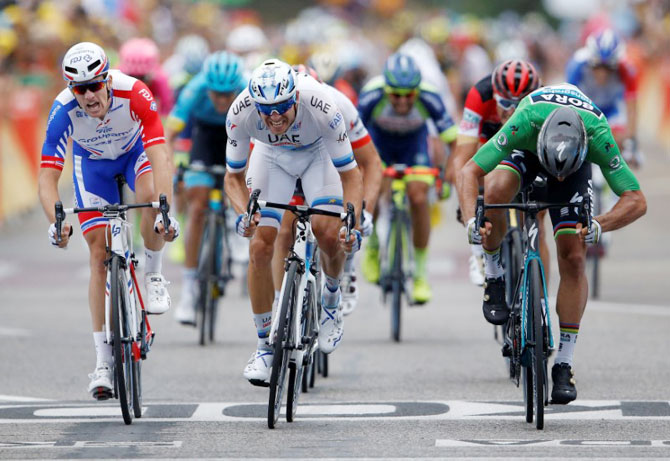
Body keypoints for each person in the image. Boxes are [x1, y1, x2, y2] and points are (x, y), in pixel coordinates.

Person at [457, 83, 646, 404]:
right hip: (528, 152)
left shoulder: (598, 136)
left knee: (573, 257)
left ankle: (564, 363)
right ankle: (495, 273)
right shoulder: (524, 120)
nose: (556, 179)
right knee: (494, 192)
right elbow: (469, 170)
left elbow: (636, 200)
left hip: (576, 164)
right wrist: (472, 221)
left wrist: (600, 224)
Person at [38, 42, 179, 399]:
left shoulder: (135, 92)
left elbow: (160, 153)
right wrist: (56, 221)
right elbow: (47, 176)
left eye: (94, 86)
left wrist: (164, 209)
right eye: (79, 89)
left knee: (149, 197)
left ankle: (154, 274)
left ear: (107, 81)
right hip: (94, 167)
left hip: (134, 156)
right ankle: (102, 361)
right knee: (99, 255)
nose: (88, 96)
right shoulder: (63, 111)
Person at [224, 59, 364, 386]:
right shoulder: (240, 111)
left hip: (318, 156)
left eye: (283, 108)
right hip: (271, 159)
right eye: (267, 110)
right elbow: (232, 178)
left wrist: (351, 223)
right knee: (260, 245)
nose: (275, 117)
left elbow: (351, 174)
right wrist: (245, 213)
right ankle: (263, 348)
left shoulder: (322, 105)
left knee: (327, 233)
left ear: (295, 98)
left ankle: (331, 298)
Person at [271, 64, 382, 316]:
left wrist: (365, 213)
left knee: (330, 231)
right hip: (288, 164)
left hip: (329, 164)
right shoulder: (273, 108)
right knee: (283, 229)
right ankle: (280, 305)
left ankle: (335, 285)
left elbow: (371, 162)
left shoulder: (337, 105)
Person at [358, 52, 457, 304]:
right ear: (386, 89)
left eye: (409, 95)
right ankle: (372, 248)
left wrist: (446, 177)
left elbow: (453, 142)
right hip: (378, 146)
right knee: (373, 189)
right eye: (396, 95)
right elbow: (351, 139)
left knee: (418, 197)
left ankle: (421, 274)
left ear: (417, 90)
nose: (402, 102)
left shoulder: (429, 96)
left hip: (414, 148)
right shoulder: (371, 94)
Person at [165, 51, 247, 325]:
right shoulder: (194, 89)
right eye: (216, 94)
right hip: (205, 137)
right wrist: (167, 164)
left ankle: (237, 226)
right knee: (197, 206)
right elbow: (171, 133)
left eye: (228, 95)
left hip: (236, 135)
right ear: (207, 88)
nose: (222, 100)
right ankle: (189, 291)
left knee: (240, 179)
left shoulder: (248, 89)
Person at [452, 59, 542, 286]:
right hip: (489, 137)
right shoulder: (479, 95)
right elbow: (462, 159)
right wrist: (467, 207)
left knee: (536, 224)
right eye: (504, 102)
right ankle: (479, 252)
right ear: (494, 94)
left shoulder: (541, 98)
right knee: (479, 170)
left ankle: (539, 297)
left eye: (518, 103)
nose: (511, 110)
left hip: (525, 137)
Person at [566, 28, 641, 167]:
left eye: (609, 68)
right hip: (585, 109)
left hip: (611, 110)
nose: (603, 73)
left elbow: (632, 108)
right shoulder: (577, 64)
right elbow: (566, 103)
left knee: (619, 142)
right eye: (597, 66)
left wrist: (631, 141)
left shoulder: (627, 68)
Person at [119, 37, 174, 116]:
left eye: (143, 78)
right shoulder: (116, 77)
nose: (138, 83)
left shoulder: (160, 80)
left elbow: (166, 111)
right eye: (131, 77)